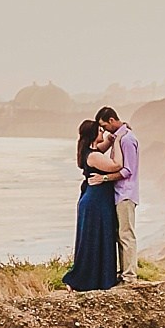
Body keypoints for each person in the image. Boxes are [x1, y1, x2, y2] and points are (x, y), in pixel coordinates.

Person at [65, 118, 123, 291]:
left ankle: (95, 278)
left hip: (94, 200)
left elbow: (102, 145)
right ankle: (86, 279)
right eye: (100, 130)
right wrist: (118, 142)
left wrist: (111, 139)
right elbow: (117, 165)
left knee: (96, 238)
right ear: (93, 134)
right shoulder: (94, 156)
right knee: (96, 238)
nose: (103, 132)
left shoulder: (90, 151)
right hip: (96, 202)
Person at [96, 105, 142, 284]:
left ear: (112, 121)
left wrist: (104, 178)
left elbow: (127, 170)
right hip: (119, 193)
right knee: (120, 234)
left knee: (126, 235)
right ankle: (123, 273)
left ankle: (130, 276)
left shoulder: (127, 140)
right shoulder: (119, 137)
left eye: (105, 126)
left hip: (126, 193)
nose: (104, 130)